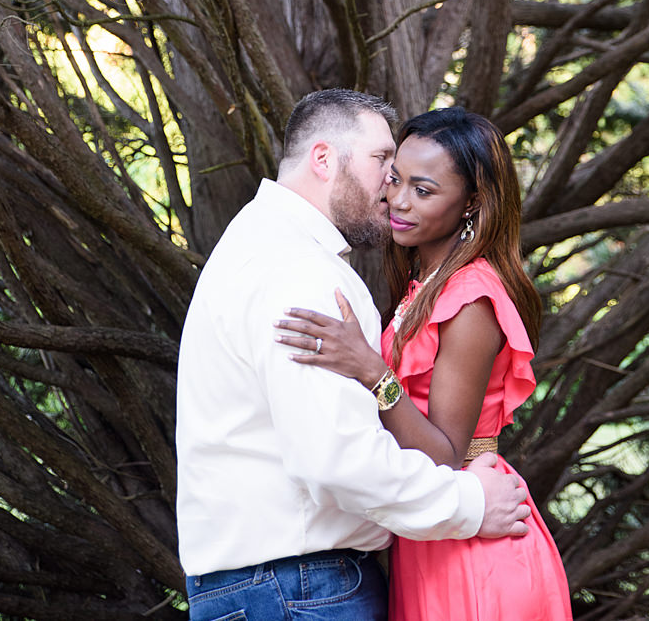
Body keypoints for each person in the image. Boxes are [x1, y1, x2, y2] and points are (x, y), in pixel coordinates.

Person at [176, 89, 531, 621]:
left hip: (276, 585)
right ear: (324, 158)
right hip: (299, 588)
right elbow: (336, 460)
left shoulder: (258, 243)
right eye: (383, 163)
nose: (392, 189)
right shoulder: (300, 272)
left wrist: (374, 372)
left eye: (411, 177)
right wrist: (471, 505)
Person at [275, 105, 573, 621]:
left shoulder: (471, 298)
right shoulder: (428, 286)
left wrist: (372, 372)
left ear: (471, 204)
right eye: (395, 180)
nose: (398, 201)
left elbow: (447, 453)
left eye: (424, 190)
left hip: (475, 546)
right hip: (438, 531)